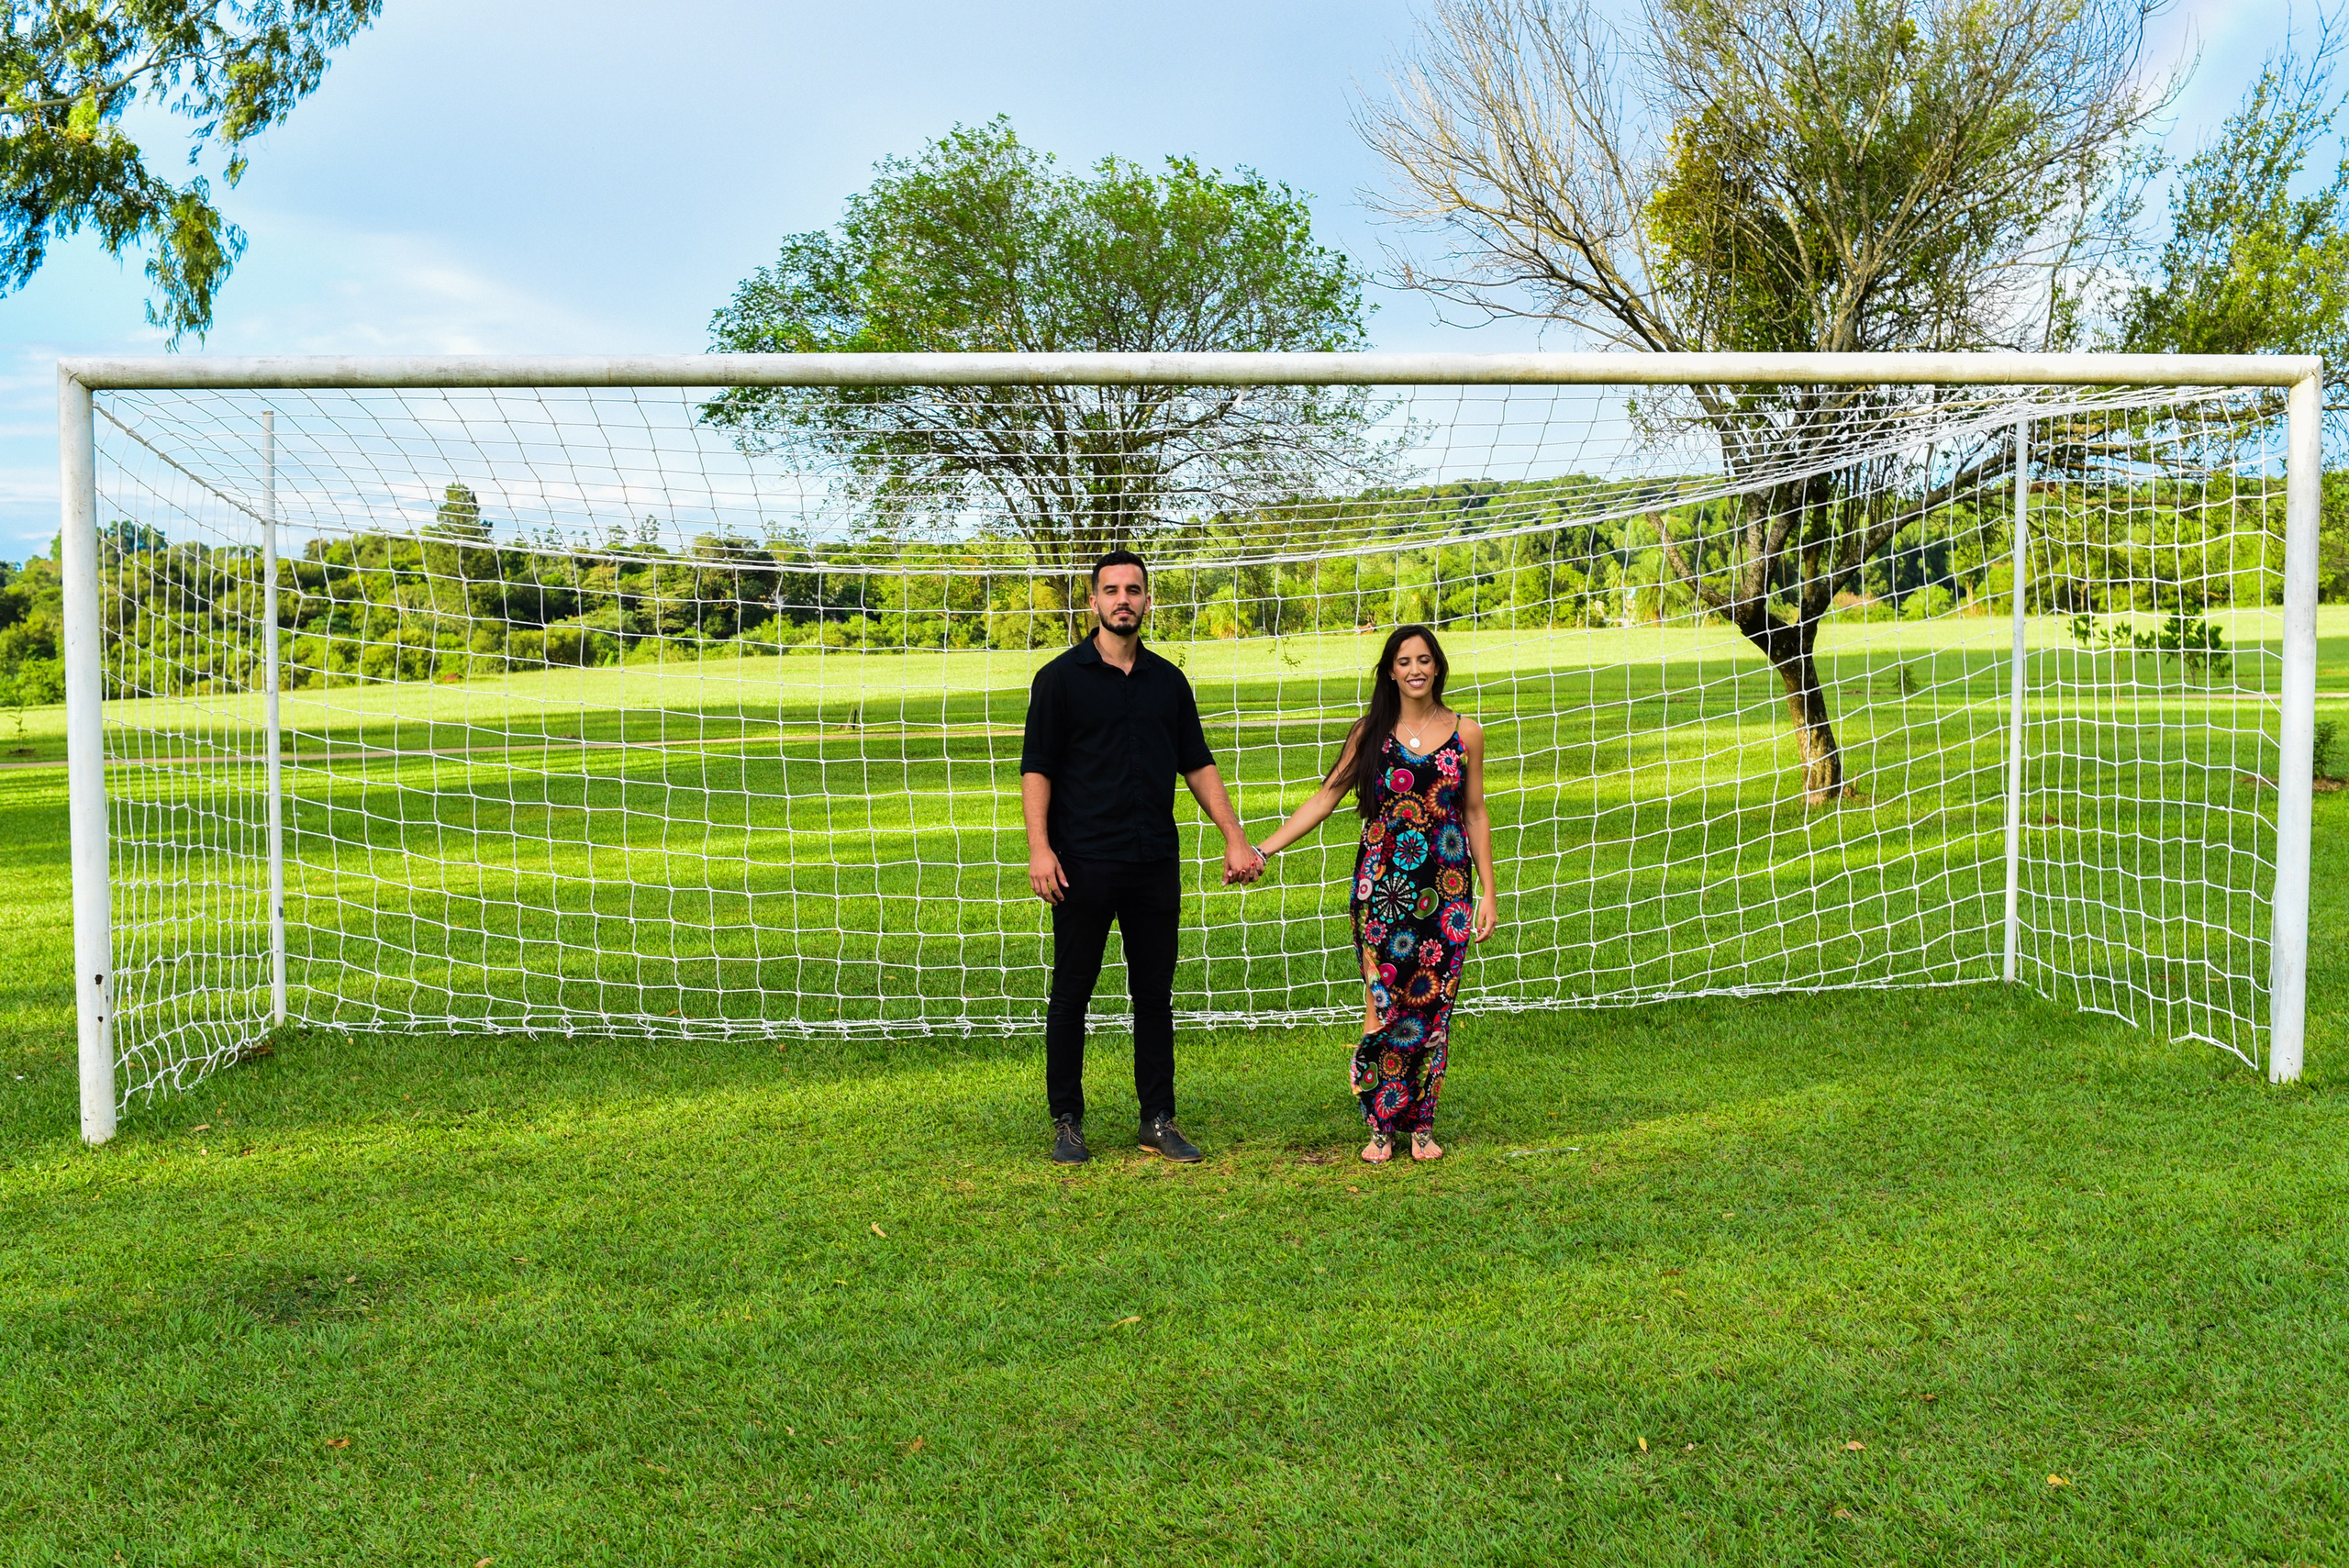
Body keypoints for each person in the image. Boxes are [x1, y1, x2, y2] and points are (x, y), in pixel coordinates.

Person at [1020, 550, 1262, 1166]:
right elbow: (1037, 769)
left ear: (1148, 601)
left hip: (1154, 859)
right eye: (1111, 589)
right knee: (1072, 991)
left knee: (1153, 993)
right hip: (1082, 862)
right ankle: (1067, 1122)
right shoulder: (1059, 680)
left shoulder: (1168, 682)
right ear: (1094, 601)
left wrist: (1234, 836)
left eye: (1133, 589)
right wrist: (1040, 848)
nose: (1122, 599)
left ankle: (1157, 1118)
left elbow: (1198, 762)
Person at [1250, 625, 1497, 1162]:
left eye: (1424, 660)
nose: (1415, 669)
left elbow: (1475, 813)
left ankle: (1422, 1127)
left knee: (1433, 1007)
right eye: (1404, 660)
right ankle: (1381, 1125)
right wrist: (1263, 850)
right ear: (1391, 670)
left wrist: (1489, 894)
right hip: (1380, 889)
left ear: (1438, 668)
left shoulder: (1466, 732)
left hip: (1448, 890)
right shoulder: (1370, 733)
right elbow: (1325, 799)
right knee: (1383, 1004)